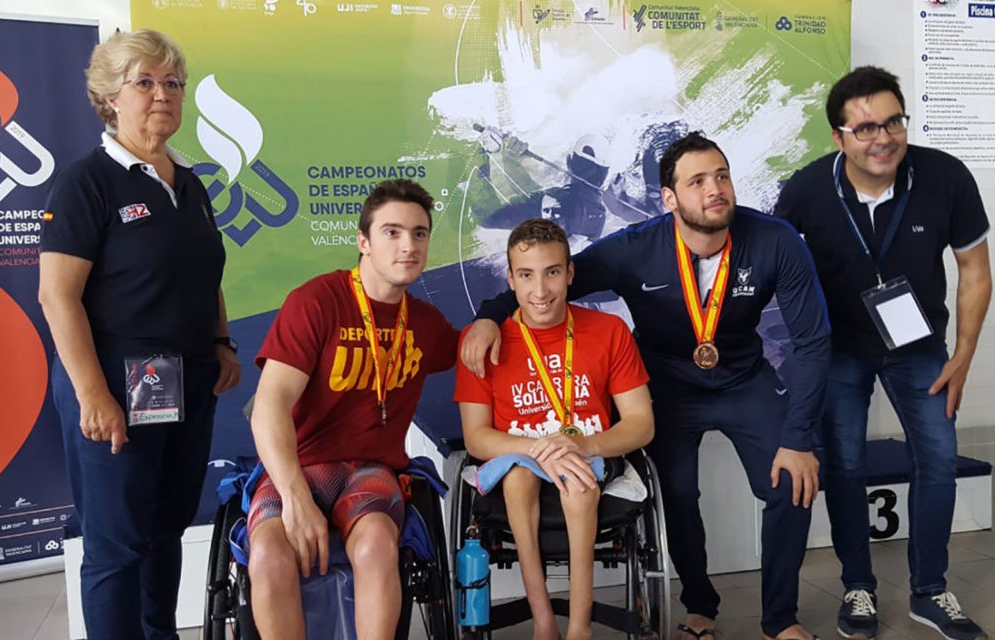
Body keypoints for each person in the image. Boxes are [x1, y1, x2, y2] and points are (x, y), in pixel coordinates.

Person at [462, 131, 831, 640]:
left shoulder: (775, 241)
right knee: (677, 493)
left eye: (721, 176)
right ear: (669, 197)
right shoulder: (635, 248)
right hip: (667, 385)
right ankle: (700, 605)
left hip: (745, 379)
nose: (714, 189)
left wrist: (799, 437)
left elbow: (813, 343)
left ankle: (780, 620)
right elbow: (549, 281)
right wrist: (487, 317)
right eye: (697, 181)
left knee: (792, 481)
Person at [775, 66, 992, 640]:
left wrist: (963, 356)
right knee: (844, 463)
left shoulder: (946, 176)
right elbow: (776, 271)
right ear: (839, 137)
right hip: (839, 349)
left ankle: (929, 589)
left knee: (939, 458)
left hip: (921, 347)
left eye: (893, 121)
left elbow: (974, 270)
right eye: (866, 127)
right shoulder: (805, 189)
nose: (884, 138)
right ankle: (858, 587)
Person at [38, 30, 241, 639]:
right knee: (117, 545)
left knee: (165, 530)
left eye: (173, 83)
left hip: (184, 384)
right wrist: (94, 395)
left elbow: (205, 273)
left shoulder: (190, 182)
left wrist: (222, 340)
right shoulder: (87, 183)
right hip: (113, 389)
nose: (163, 95)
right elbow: (57, 296)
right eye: (145, 82)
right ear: (110, 97)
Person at [247, 179, 459, 640]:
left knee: (378, 546)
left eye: (420, 233)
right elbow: (269, 405)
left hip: (371, 469)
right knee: (267, 554)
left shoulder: (425, 324)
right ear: (363, 241)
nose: (409, 245)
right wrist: (295, 496)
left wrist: (486, 326)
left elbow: (475, 352)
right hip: (298, 466)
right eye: (392, 232)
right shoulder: (318, 301)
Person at [454, 218, 654, 640]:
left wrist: (580, 445)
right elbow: (476, 437)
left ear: (570, 273)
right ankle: (543, 622)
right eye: (526, 275)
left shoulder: (608, 331)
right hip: (518, 456)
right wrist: (542, 447)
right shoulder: (483, 342)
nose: (540, 291)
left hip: (589, 454)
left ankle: (579, 628)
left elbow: (641, 423)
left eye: (552, 273)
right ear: (510, 279)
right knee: (518, 477)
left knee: (578, 485)